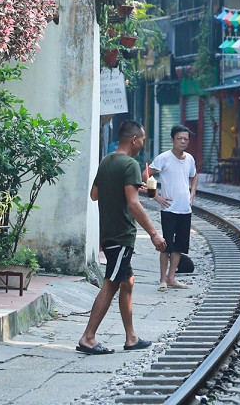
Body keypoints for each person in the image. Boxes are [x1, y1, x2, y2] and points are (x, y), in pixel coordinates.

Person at [77, 120, 166, 355]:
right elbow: (133, 204)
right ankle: (88, 337)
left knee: (128, 282)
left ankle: (131, 337)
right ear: (134, 139)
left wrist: (130, 188)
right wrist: (154, 234)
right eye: (143, 140)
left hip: (108, 232)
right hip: (121, 234)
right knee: (112, 283)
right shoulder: (130, 164)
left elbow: (95, 194)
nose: (142, 145)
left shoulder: (107, 161)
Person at [150, 124, 198, 292]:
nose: (183, 142)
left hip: (185, 209)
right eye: (179, 138)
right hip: (169, 209)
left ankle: (172, 278)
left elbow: (194, 175)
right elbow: (146, 174)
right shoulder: (164, 158)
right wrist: (156, 196)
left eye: (186, 139)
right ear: (172, 140)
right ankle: (162, 279)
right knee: (166, 245)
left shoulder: (190, 159)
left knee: (179, 246)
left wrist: (192, 192)